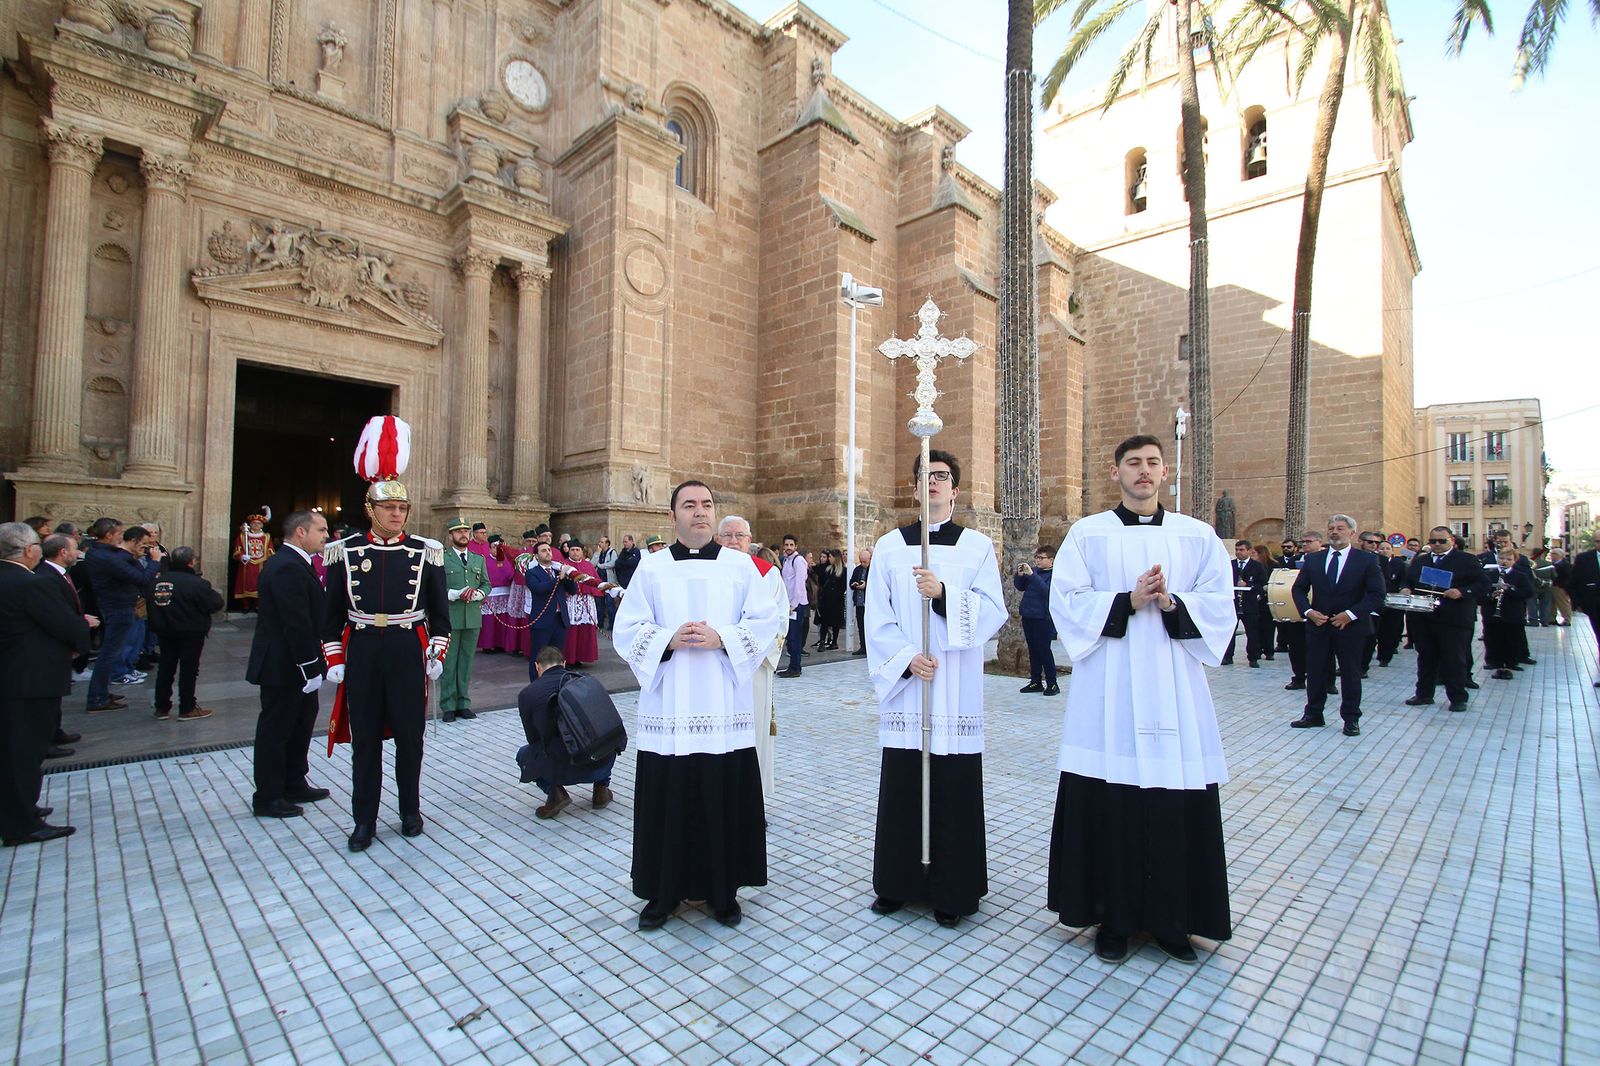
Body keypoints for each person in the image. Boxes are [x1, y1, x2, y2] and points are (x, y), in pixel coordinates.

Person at [1047, 434, 1234, 964]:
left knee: (1173, 800)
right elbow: (1068, 602)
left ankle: (1175, 922)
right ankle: (1113, 919)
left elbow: (1222, 606)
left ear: (1165, 472)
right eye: (1133, 463)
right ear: (1116, 473)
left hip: (1175, 688)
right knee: (1110, 801)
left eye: (1153, 463)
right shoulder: (1088, 535)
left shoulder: (1196, 536)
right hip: (1109, 688)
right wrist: (1127, 600)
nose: (1144, 471)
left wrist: (1174, 602)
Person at [612, 480, 784, 929]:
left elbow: (766, 620)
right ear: (673, 517)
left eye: (707, 504)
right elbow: (626, 628)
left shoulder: (740, 566)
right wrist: (667, 638)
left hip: (723, 707)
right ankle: (661, 893)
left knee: (720, 794)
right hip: (668, 710)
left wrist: (722, 638)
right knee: (669, 799)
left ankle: (722, 891)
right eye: (689, 505)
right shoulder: (651, 569)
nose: (700, 512)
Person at [866, 450, 1007, 928]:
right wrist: (907, 659)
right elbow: (876, 617)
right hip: (912, 686)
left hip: (955, 687)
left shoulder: (977, 547)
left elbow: (993, 610)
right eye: (924, 474)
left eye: (942, 476)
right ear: (913, 486)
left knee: (953, 784)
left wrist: (945, 596)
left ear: (956, 490)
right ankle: (896, 883)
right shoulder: (889, 547)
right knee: (905, 781)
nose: (933, 482)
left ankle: (954, 888)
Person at [321, 416, 451, 853]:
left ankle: (410, 809)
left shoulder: (425, 553)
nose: (396, 515)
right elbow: (331, 614)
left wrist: (436, 649)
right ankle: (364, 820)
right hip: (362, 650)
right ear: (371, 510)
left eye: (402, 509)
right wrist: (335, 659)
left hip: (404, 649)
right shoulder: (345, 553)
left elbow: (440, 615)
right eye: (388, 508)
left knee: (411, 738)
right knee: (366, 743)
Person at [0, 523, 88, 847]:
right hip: (30, 679)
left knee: (11, 751)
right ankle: (21, 823)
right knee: (25, 752)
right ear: (27, 550)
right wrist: (81, 636)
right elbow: (66, 625)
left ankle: (18, 810)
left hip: (10, 676)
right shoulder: (30, 584)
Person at [246, 510, 332, 819]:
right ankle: (268, 795)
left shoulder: (299, 563)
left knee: (301, 724)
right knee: (276, 730)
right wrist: (309, 665)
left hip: (297, 663)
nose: (326, 535)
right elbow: (294, 621)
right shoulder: (285, 566)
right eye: (321, 530)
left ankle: (294, 781)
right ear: (300, 532)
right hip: (284, 665)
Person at [1289, 515, 1386, 737]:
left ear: (1352, 533)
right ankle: (1313, 713)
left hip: (1350, 627)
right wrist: (1308, 612)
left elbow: (1377, 594)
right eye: (1331, 528)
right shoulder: (1314, 560)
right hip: (1318, 625)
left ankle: (1351, 718)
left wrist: (1350, 615)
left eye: (1340, 528)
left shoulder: (1366, 560)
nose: (1334, 532)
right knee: (1315, 671)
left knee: (1350, 674)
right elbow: (1298, 589)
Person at [719, 515, 787, 801]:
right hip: (714, 668)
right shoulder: (706, 571)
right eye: (727, 536)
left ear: (750, 542)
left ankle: (751, 801)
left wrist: (743, 651)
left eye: (740, 536)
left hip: (754, 668)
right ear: (717, 539)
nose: (733, 541)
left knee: (753, 733)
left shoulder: (767, 574)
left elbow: (780, 619)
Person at [517, 647, 617, 818]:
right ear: (564, 663)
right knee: (605, 735)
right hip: (598, 763)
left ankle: (555, 791)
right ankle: (601, 789)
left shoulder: (527, 694)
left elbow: (533, 738)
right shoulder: (586, 681)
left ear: (537, 666)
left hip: (559, 769)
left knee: (523, 754)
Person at [1403, 526, 1490, 713]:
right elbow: (1408, 580)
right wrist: (1406, 588)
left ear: (1451, 540)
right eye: (1433, 541)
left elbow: (1483, 583)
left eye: (1441, 541)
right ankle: (1424, 694)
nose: (1437, 545)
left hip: (1453, 618)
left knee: (1454, 659)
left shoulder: (1466, 560)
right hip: (1424, 617)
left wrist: (1462, 592)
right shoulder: (1421, 561)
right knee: (1426, 657)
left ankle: (1458, 697)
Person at [83, 518, 156, 713]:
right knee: (110, 653)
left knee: (111, 651)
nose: (121, 537)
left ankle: (102, 691)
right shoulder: (108, 558)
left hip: (115, 605)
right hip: (118, 607)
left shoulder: (104, 553)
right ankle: (97, 697)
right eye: (118, 533)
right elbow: (142, 578)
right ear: (108, 535)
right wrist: (154, 562)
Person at [146, 547, 224, 722]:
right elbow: (215, 603)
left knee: (166, 667)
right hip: (190, 630)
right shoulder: (196, 583)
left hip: (165, 629)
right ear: (191, 562)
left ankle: (161, 706)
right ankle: (187, 707)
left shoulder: (159, 581)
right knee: (189, 669)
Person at [440, 518, 491, 723]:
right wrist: (453, 593)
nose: (463, 534)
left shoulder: (478, 559)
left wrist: (479, 593)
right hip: (451, 616)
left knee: (467, 663)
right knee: (449, 663)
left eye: (465, 531)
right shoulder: (443, 558)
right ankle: (448, 705)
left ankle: (463, 703)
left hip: (472, 618)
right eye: (458, 531)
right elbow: (434, 588)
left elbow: (487, 584)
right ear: (451, 535)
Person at [1014, 545, 1061, 694]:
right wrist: (1019, 575)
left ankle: (1052, 683)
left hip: (1043, 618)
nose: (1038, 561)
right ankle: (1035, 681)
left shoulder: (1055, 575)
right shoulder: (1033, 571)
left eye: (1042, 558)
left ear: (1051, 560)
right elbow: (1020, 587)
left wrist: (1032, 576)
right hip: (1028, 615)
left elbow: (1047, 592)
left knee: (1044, 650)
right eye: (1037, 558)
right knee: (1033, 650)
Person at [523, 541, 573, 673]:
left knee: (557, 657)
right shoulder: (532, 573)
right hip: (542, 621)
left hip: (559, 619)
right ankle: (536, 686)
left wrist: (569, 577)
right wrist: (558, 578)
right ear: (536, 556)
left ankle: (556, 683)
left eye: (549, 550)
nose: (548, 552)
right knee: (539, 656)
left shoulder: (558, 570)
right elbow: (539, 589)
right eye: (543, 550)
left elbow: (572, 590)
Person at [1484, 548, 1533, 680]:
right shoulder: (1489, 574)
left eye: (1508, 559)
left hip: (1513, 613)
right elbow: (1482, 591)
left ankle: (1512, 662)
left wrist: (1510, 589)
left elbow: (1528, 593)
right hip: (1492, 613)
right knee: (1493, 638)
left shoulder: (1520, 575)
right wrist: (1491, 594)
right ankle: (1493, 661)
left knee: (1512, 638)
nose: (1504, 562)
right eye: (1502, 559)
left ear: (1514, 561)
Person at [1222, 540, 1268, 669]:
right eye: (1237, 550)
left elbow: (1263, 584)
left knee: (1252, 632)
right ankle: (1227, 656)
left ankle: (1253, 658)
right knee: (1230, 631)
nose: (1238, 552)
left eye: (1241, 550)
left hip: (1250, 604)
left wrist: (1248, 585)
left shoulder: (1257, 566)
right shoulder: (1229, 565)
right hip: (1233, 604)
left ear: (1249, 551)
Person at [561, 541, 607, 668]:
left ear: (582, 551)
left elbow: (596, 582)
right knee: (571, 630)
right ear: (568, 551)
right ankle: (569, 658)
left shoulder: (588, 566)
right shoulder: (564, 565)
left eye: (578, 550)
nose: (575, 552)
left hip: (587, 601)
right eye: (572, 550)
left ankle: (581, 656)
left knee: (584, 630)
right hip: (571, 601)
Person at [477, 535, 519, 654]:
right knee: (489, 622)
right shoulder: (483, 561)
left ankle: (501, 644)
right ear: (490, 548)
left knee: (504, 621)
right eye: (495, 547)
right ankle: (488, 645)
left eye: (500, 547)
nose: (497, 550)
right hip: (490, 594)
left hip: (506, 594)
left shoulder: (509, 560)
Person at [777, 534, 810, 677]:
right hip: (789, 604)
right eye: (786, 545)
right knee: (791, 637)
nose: (788, 547)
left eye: (791, 545)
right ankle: (794, 666)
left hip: (797, 605)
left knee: (795, 637)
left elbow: (799, 584)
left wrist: (794, 604)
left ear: (795, 546)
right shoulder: (786, 560)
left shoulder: (798, 561)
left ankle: (795, 668)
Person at [232, 512, 274, 612]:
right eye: (254, 523)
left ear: (262, 525)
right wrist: (242, 556)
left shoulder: (266, 537)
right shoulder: (243, 536)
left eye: (258, 524)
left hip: (261, 564)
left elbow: (270, 550)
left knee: (259, 584)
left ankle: (257, 605)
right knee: (245, 583)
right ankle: (245, 605)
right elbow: (238, 549)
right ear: (250, 525)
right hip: (246, 564)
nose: (256, 525)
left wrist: (268, 558)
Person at [814, 549, 847, 651]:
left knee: (836, 623)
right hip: (826, 600)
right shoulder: (828, 569)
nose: (829, 559)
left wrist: (836, 594)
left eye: (831, 557)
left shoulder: (843, 571)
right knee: (824, 622)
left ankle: (834, 642)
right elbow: (821, 578)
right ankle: (822, 642)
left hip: (836, 601)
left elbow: (843, 586)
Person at [1251, 544, 1277, 661]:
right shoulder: (1253, 566)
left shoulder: (1273, 566)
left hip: (1268, 599)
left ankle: (1269, 650)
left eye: (1254, 553)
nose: (1252, 556)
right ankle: (1257, 650)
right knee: (1256, 627)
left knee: (1268, 627)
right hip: (1256, 601)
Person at [593, 536, 619, 631]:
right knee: (599, 604)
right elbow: (592, 564)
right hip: (599, 582)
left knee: (609, 604)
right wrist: (597, 554)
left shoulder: (612, 552)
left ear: (607, 543)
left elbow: (613, 563)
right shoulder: (598, 553)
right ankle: (600, 623)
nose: (600, 544)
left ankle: (612, 624)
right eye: (600, 542)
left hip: (609, 582)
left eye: (602, 542)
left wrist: (601, 566)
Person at [850, 548, 871, 655]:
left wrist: (866, 585)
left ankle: (870, 648)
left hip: (869, 603)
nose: (863, 564)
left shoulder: (873, 569)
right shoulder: (857, 570)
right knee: (861, 626)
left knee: (870, 627)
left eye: (865, 562)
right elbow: (851, 582)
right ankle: (863, 646)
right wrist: (854, 584)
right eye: (861, 561)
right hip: (859, 602)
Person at [1549, 547, 1573, 627]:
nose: (1552, 556)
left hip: (1560, 587)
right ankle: (1552, 618)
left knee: (1563, 603)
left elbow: (1568, 576)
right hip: (1553, 586)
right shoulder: (1553, 564)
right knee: (1552, 603)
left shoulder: (1565, 564)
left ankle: (1567, 619)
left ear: (1559, 555)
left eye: (1554, 554)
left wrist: (1563, 586)